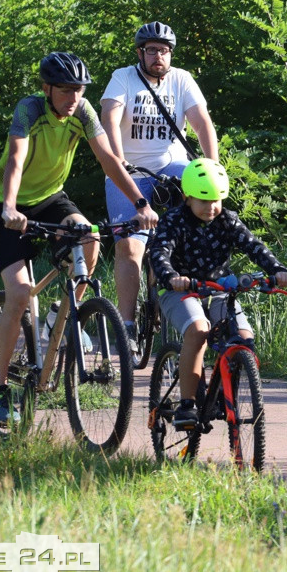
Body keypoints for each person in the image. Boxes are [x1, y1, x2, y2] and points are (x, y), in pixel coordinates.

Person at [0, 52, 158, 425]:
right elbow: (16, 157)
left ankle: (58, 318)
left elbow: (108, 158)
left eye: (78, 90)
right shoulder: (29, 110)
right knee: (18, 292)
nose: (73, 97)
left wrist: (140, 203)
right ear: (47, 88)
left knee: (90, 237)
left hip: (50, 199)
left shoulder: (83, 112)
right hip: (4, 204)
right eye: (65, 90)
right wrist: (10, 208)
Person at [100, 21, 219, 357]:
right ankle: (126, 325)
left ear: (170, 54)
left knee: (196, 220)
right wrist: (119, 162)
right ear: (140, 53)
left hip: (172, 167)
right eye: (151, 50)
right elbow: (110, 117)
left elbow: (201, 122)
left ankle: (175, 300)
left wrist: (211, 167)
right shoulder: (122, 78)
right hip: (130, 172)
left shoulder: (182, 79)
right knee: (129, 247)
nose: (158, 56)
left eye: (163, 50)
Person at [147, 158, 287, 429]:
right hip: (181, 290)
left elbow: (254, 247)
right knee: (199, 330)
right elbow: (160, 253)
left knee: (244, 336)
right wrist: (172, 277)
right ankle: (188, 404)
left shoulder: (228, 220)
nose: (211, 207)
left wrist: (278, 271)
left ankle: (225, 395)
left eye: (217, 200)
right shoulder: (174, 220)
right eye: (204, 200)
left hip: (217, 290)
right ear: (187, 197)